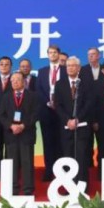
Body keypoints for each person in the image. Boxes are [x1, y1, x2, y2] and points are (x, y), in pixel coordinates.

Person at [54, 56, 96, 184]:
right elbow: (58, 105)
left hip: (82, 126)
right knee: (67, 156)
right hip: (66, 127)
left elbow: (89, 104)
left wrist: (78, 119)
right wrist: (68, 120)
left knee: (82, 156)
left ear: (78, 68)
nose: (70, 68)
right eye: (68, 66)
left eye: (73, 65)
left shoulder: (86, 83)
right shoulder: (60, 84)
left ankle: (82, 185)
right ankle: (69, 186)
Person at [0, 72, 39, 195]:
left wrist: (23, 126)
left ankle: (28, 189)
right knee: (12, 162)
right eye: (13, 80)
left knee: (27, 162)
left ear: (24, 82)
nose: (15, 82)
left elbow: (36, 114)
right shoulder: (6, 97)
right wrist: (11, 125)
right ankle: (13, 188)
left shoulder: (33, 96)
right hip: (11, 134)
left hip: (27, 133)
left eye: (18, 79)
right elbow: (1, 114)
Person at [36, 44, 65, 181]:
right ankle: (48, 170)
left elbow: (68, 89)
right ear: (47, 55)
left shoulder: (65, 70)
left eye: (55, 52)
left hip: (62, 111)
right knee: (47, 142)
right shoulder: (42, 71)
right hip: (46, 111)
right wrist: (48, 102)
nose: (52, 54)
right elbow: (39, 90)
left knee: (61, 141)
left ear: (59, 54)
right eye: (50, 52)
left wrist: (57, 103)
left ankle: (62, 171)